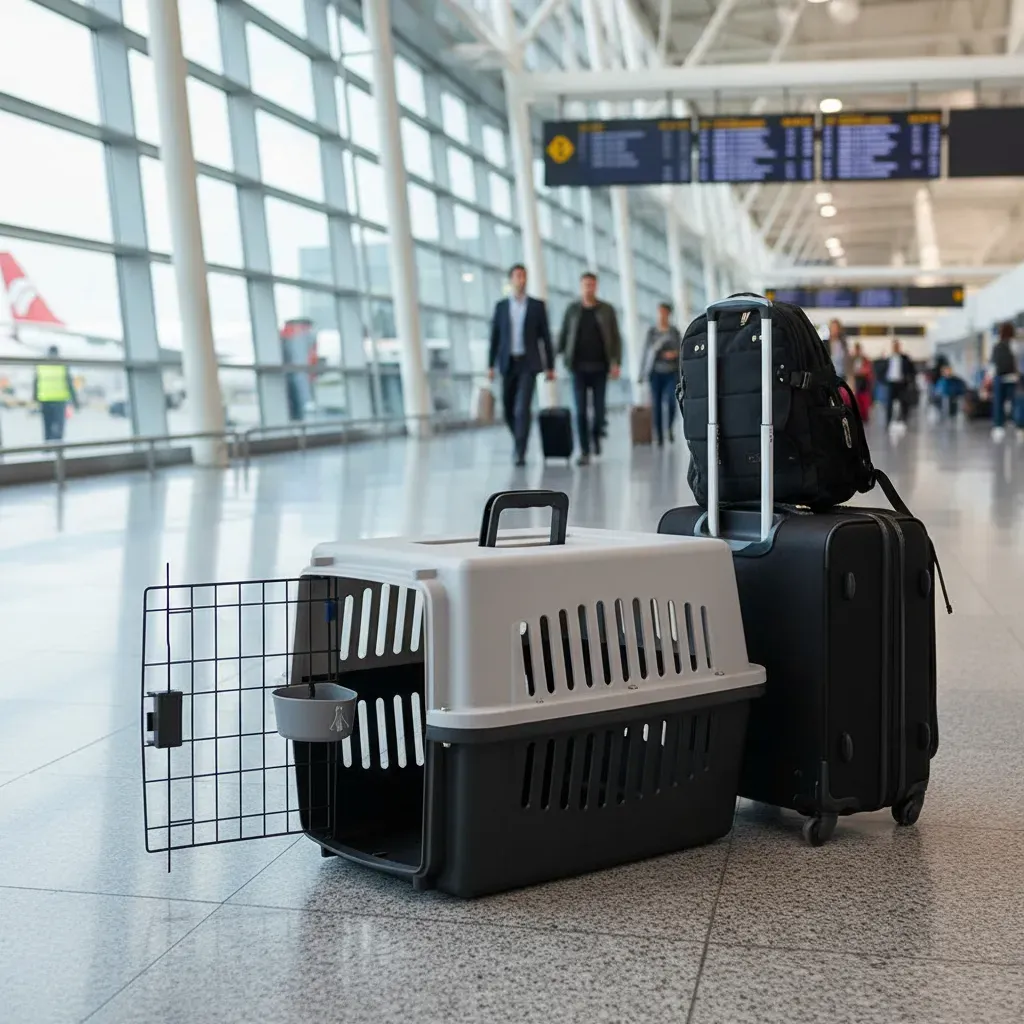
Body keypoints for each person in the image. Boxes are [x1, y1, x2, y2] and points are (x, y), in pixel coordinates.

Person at [488, 263, 555, 466]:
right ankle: (519, 436)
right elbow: (495, 337)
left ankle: (520, 451)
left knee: (521, 408)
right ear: (511, 280)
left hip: (529, 363)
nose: (521, 280)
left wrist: (550, 366)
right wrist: (490, 365)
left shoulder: (536, 306)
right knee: (508, 409)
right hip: (508, 363)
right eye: (517, 276)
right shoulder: (501, 307)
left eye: (524, 276)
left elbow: (546, 337)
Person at [558, 271, 622, 466]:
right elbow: (564, 335)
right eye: (586, 284)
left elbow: (616, 338)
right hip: (577, 368)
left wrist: (616, 363)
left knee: (599, 409)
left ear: (596, 286)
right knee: (580, 410)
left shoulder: (606, 310)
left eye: (592, 285)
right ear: (581, 286)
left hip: (600, 367)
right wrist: (555, 358)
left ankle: (596, 436)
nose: (589, 288)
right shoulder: (572, 310)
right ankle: (584, 450)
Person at [640, 302, 682, 446]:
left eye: (664, 312)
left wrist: (673, 354)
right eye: (660, 312)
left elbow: (681, 349)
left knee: (671, 402)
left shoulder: (674, 332)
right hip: (655, 373)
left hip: (671, 372)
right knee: (656, 404)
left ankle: (669, 427)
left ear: (669, 314)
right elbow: (646, 353)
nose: (662, 315)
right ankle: (658, 435)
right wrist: (641, 373)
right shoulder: (652, 332)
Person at [34, 346, 78, 442]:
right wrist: (75, 401)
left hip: (45, 399)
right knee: (59, 427)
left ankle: (47, 448)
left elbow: (36, 382)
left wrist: (34, 399)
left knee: (47, 426)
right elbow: (69, 383)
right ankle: (58, 449)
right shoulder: (62, 365)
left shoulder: (41, 365)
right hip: (59, 400)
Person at [988, 321, 1022, 441]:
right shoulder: (1015, 344)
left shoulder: (996, 345)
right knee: (1015, 403)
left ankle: (998, 427)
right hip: (1012, 377)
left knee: (998, 402)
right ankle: (1018, 426)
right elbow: (1018, 361)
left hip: (999, 377)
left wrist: (989, 379)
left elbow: (992, 364)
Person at [884, 338, 915, 429]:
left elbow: (912, 371)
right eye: (894, 346)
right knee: (889, 403)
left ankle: (903, 420)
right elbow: (883, 371)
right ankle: (888, 421)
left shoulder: (905, 358)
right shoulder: (888, 358)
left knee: (903, 402)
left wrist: (909, 380)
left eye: (897, 346)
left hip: (902, 383)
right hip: (891, 383)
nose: (895, 348)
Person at [851, 342, 874, 423]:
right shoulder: (852, 359)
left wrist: (862, 372)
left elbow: (868, 370)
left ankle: (864, 416)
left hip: (863, 381)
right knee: (856, 398)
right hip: (856, 380)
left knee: (864, 399)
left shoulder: (864, 359)